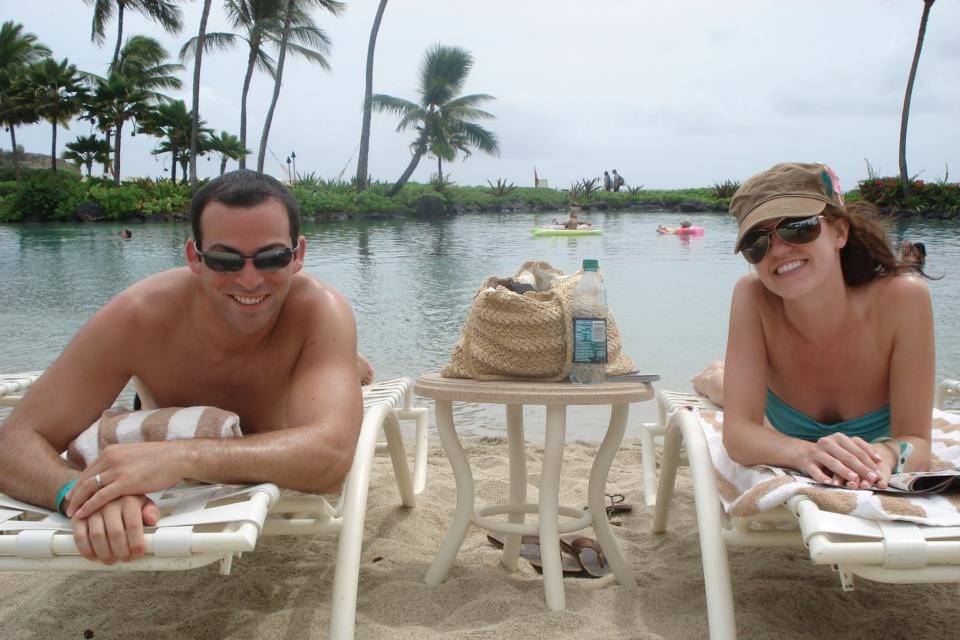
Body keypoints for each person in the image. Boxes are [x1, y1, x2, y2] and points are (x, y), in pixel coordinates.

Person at [0, 170, 364, 565]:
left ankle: (350, 365)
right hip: (202, 423)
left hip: (265, 427)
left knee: (344, 368)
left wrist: (177, 457)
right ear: (194, 257)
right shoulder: (139, 316)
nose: (249, 279)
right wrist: (83, 492)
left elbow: (331, 460)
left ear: (298, 256)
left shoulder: (319, 311)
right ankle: (345, 365)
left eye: (272, 257)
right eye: (224, 259)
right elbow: (14, 441)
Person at [718, 162, 934, 491]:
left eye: (798, 226)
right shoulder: (753, 297)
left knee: (725, 383)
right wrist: (808, 454)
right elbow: (738, 435)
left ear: (839, 231)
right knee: (717, 385)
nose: (777, 249)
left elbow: (916, 440)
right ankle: (714, 379)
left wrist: (885, 454)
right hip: (774, 416)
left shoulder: (903, 299)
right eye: (756, 242)